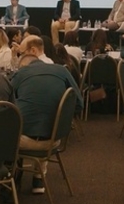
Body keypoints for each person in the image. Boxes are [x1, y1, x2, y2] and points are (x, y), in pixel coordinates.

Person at [11, 46, 83, 194]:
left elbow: (7, 104)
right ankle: (38, 178)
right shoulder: (62, 70)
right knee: (46, 118)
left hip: (22, 141)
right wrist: (63, 119)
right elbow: (79, 104)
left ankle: (11, 178)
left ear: (23, 65)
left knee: (11, 125)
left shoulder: (20, 73)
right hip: (55, 139)